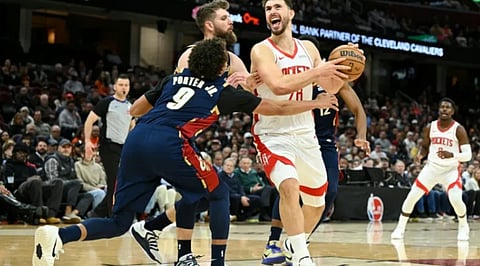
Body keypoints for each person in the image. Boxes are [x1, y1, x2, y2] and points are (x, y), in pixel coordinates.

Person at [32, 38, 339, 266]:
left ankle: (59, 237)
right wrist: (315, 103)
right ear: (221, 67)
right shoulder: (223, 91)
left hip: (137, 141)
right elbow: (279, 106)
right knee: (217, 192)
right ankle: (216, 262)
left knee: (119, 221)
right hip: (170, 143)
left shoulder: (172, 79)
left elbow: (135, 110)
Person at [250, 0, 356, 264]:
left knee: (318, 203)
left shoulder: (308, 48)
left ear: (291, 13)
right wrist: (317, 71)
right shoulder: (261, 50)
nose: (272, 12)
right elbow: (278, 86)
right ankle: (301, 255)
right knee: (288, 186)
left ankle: (291, 241)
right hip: (273, 134)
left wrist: (345, 65)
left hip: (305, 134)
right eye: (268, 9)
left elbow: (330, 85)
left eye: (277, 6)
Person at [261, 36, 369, 265]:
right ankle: (273, 242)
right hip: (296, 135)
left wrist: (361, 136)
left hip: (324, 142)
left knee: (327, 193)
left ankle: (298, 242)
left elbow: (359, 110)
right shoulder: (299, 78)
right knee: (288, 187)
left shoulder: (335, 81)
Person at [130, 0, 259, 116]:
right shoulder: (191, 55)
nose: (230, 22)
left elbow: (251, 95)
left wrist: (251, 86)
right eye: (224, 18)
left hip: (192, 126)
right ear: (209, 25)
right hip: (170, 119)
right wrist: (225, 90)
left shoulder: (232, 60)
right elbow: (193, 97)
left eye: (229, 18)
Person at [391, 98, 472, 241]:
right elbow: (425, 146)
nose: (444, 109)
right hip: (432, 168)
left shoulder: (459, 129)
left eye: (448, 107)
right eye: (442, 107)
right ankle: (400, 228)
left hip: (450, 170)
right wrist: (420, 155)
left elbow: (468, 155)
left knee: (455, 199)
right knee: (412, 197)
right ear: (439, 110)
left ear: (452, 111)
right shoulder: (431, 127)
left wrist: (452, 154)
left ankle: (464, 225)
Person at [84, 73, 135, 218]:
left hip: (123, 148)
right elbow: (89, 121)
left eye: (126, 85)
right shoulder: (107, 102)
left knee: (122, 180)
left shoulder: (131, 106)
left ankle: (96, 213)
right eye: (121, 85)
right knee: (114, 180)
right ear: (115, 87)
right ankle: (114, 215)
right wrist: (87, 141)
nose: (124, 87)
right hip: (108, 146)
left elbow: (132, 128)